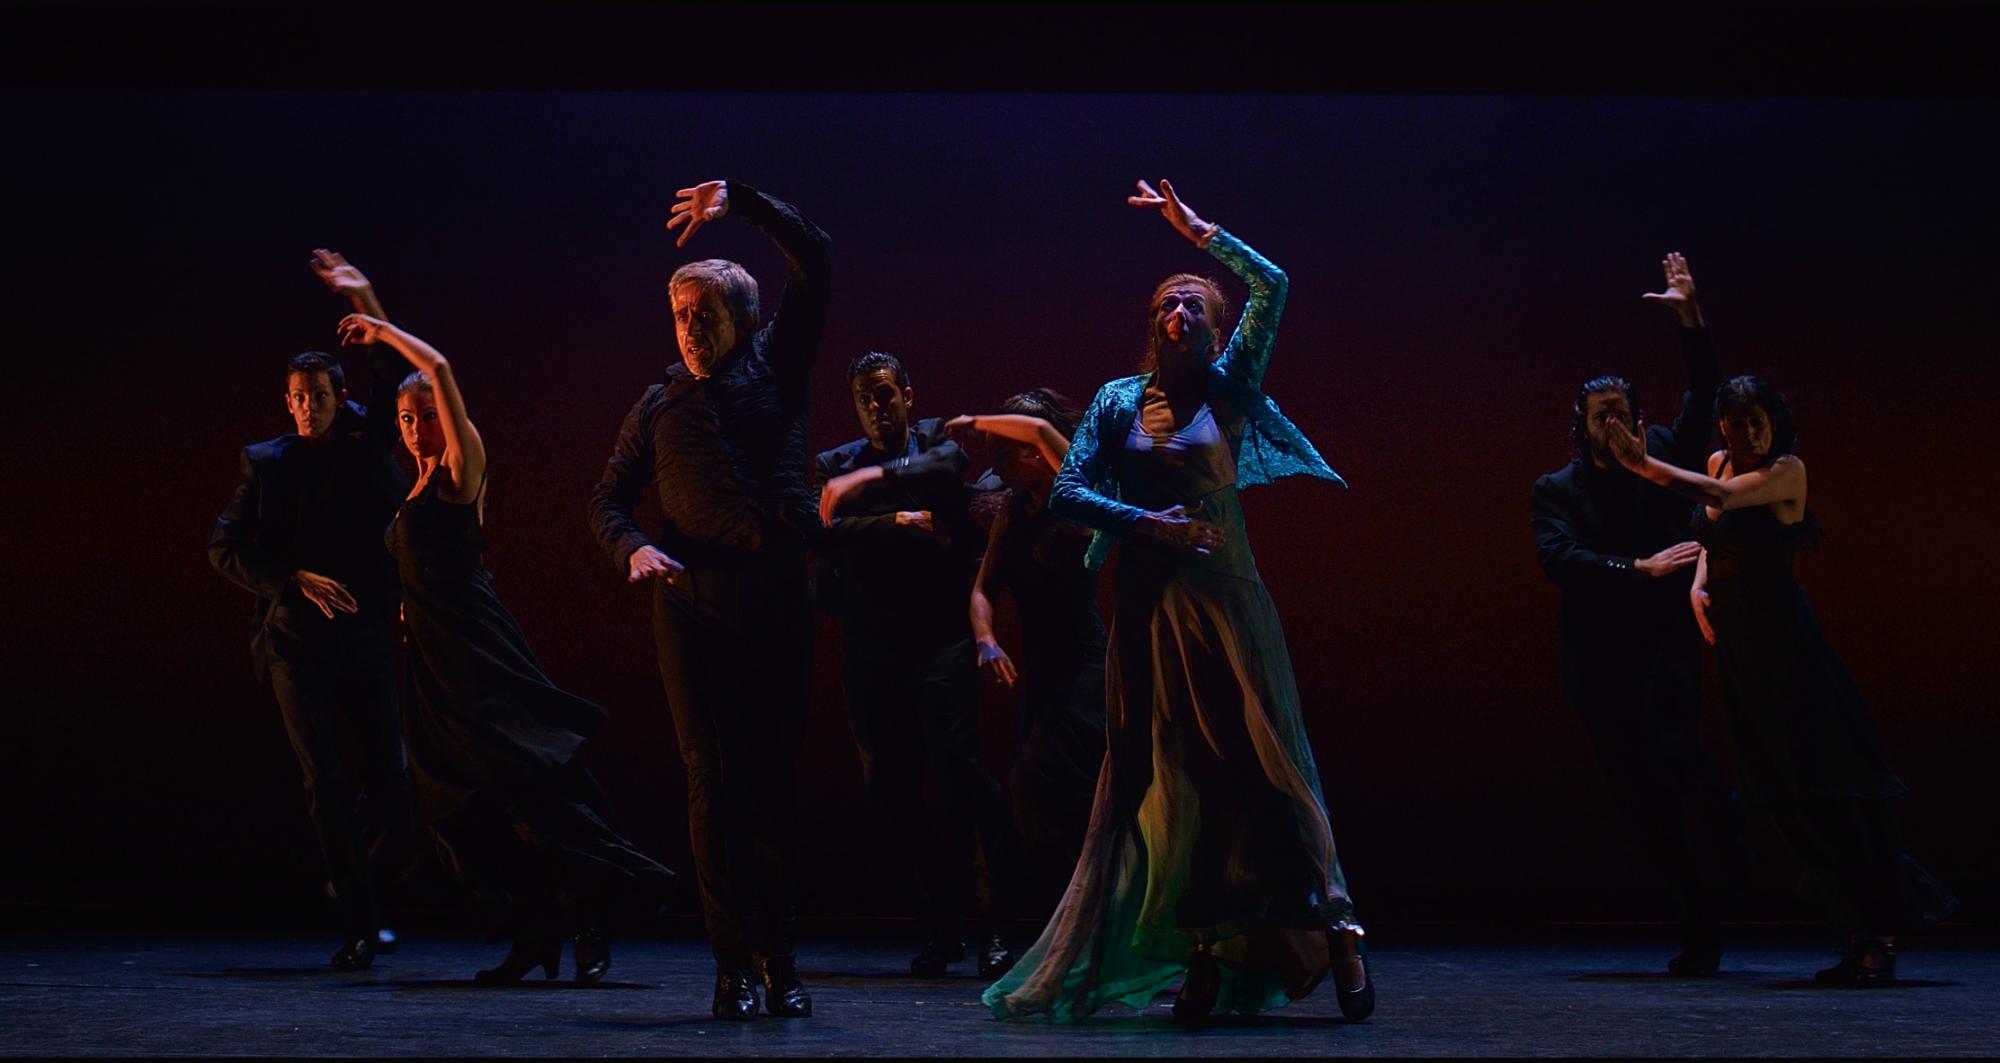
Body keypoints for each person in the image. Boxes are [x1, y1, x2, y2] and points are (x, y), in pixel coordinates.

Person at [983, 180, 1370, 1025]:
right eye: (1168, 302)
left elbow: (1275, 284)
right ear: (1151, 322)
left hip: (1226, 603)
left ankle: (1336, 928)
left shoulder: (1230, 389)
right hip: (1149, 609)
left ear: (1218, 329)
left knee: (1267, 764)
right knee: (1174, 778)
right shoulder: (1118, 399)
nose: (1180, 311)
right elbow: (1069, 491)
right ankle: (1203, 946)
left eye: (1194, 303)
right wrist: (1146, 524)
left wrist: (1201, 235)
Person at [337, 312, 673, 985]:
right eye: (406, 418)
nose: (416, 427)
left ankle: (589, 915)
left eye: (426, 416)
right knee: (451, 805)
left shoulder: (460, 472)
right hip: (431, 665)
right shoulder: (411, 486)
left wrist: (381, 325)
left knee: (531, 791)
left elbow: (438, 368)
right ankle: (534, 926)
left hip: (478, 652)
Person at [1604, 375, 1957, 985]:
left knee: (1827, 790)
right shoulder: (1720, 461)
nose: (1750, 432)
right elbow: (1713, 528)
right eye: (1738, 422)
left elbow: (1719, 495)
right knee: (1783, 795)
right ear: (1723, 427)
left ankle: (1878, 936)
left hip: (1788, 652)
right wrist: (1697, 585)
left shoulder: (1786, 473)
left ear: (1775, 422)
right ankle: (1855, 934)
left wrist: (1644, 466)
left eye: (1759, 420)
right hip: (1742, 657)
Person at [587, 179, 829, 1020]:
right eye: (679, 315)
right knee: (711, 784)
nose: (689, 329)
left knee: (770, 786)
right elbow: (607, 499)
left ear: (744, 318)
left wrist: (746, 204)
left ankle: (779, 958)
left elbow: (815, 257)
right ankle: (732, 965)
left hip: (774, 600)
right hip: (690, 606)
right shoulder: (658, 403)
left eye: (705, 314)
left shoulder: (779, 363)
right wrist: (632, 544)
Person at [1529, 252, 1748, 975]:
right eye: (1602, 416)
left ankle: (1730, 848)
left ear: (1638, 417)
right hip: (1600, 663)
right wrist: (1638, 567)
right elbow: (1559, 559)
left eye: (1622, 412)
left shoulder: (1663, 454)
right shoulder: (1557, 488)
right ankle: (1699, 927)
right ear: (1583, 426)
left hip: (1664, 650)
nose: (1614, 423)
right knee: (1643, 800)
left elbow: (1706, 392)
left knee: (1680, 763)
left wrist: (1691, 319)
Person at [208, 250, 412, 970]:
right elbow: (224, 547)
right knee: (325, 780)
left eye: (318, 396)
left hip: (366, 636)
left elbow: (396, 374)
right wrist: (291, 577)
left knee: (393, 783)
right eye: (296, 397)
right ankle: (358, 921)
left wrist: (366, 297)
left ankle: (362, 877)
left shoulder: (366, 438)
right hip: (297, 645)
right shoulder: (266, 461)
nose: (305, 408)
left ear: (339, 396)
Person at [814, 352, 1021, 979]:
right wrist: (894, 519)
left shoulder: (934, 442)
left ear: (907, 393)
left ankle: (996, 925)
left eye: (885, 394)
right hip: (873, 651)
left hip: (939, 643)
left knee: (960, 776)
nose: (876, 407)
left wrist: (869, 487)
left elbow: (948, 469)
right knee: (893, 789)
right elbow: (821, 531)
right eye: (864, 398)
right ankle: (941, 926)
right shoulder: (835, 465)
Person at [949, 390, 1108, 919]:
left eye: (1002, 454)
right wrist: (986, 640)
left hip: (1085, 673)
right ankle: (1080, 915)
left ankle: (1097, 909)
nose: (993, 468)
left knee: (1041, 787)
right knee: (1044, 802)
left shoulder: (1077, 500)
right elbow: (982, 589)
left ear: (1035, 451)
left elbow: (1053, 444)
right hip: (1041, 677)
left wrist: (982, 418)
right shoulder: (1013, 512)